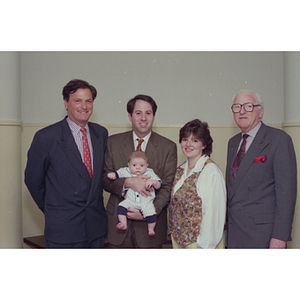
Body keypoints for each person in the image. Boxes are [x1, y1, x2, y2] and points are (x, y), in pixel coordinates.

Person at [24, 79, 108, 248]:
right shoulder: (46, 137)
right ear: (66, 103)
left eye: (88, 101)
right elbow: (33, 181)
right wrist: (54, 209)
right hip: (63, 230)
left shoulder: (101, 133)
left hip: (96, 230)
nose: (84, 106)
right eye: (77, 100)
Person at [103, 94, 177, 248]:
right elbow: (105, 180)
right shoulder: (112, 142)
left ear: (154, 116)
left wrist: (146, 212)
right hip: (117, 229)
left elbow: (167, 187)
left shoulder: (168, 147)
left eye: (148, 113)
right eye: (138, 113)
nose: (143, 118)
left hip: (151, 232)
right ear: (130, 116)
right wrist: (128, 182)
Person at [226, 90, 297, 249]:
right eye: (237, 107)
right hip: (235, 234)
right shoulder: (232, 143)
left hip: (263, 236)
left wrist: (280, 236)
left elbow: (286, 194)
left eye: (248, 106)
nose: (242, 111)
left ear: (261, 112)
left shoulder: (278, 140)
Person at [169, 119, 226, 249]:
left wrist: (204, 245)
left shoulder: (210, 171)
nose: (188, 144)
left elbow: (213, 213)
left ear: (204, 144)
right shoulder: (180, 170)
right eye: (185, 139)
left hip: (200, 244)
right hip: (178, 241)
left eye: (195, 140)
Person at [107, 150, 161, 236]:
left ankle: (151, 228)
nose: (138, 168)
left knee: (151, 212)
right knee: (121, 206)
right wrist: (113, 175)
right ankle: (123, 223)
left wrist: (153, 182)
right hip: (130, 200)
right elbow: (117, 174)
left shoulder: (150, 172)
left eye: (142, 165)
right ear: (128, 164)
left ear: (147, 165)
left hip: (146, 201)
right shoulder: (125, 171)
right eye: (134, 165)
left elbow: (159, 185)